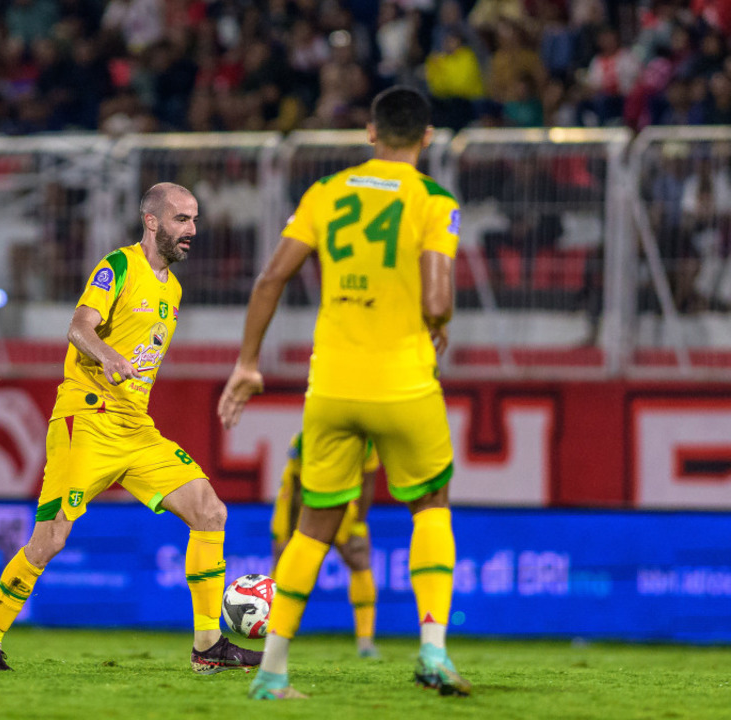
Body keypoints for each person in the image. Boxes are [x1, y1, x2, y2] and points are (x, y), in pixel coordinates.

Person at [219, 86, 470, 699]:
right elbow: (438, 300)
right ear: (427, 138)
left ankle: (273, 672)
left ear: (370, 132)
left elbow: (271, 276)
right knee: (431, 505)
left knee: (314, 525)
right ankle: (433, 651)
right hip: (404, 381)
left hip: (330, 384)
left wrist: (248, 363)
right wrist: (436, 327)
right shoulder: (435, 201)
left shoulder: (325, 194)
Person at [0, 183, 262, 675]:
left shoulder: (174, 289)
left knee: (210, 511)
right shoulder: (118, 267)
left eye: (194, 220)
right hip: (87, 419)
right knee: (51, 540)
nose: (192, 230)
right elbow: (79, 327)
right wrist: (107, 356)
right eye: (181, 220)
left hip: (136, 429)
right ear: (152, 222)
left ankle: (208, 647)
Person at [271, 433, 380, 659]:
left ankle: (366, 642)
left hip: (343, 496)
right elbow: (298, 486)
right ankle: (270, 634)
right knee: (284, 560)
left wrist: (358, 524)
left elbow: (368, 483)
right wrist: (291, 533)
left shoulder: (368, 443)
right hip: (305, 499)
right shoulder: (305, 438)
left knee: (358, 558)